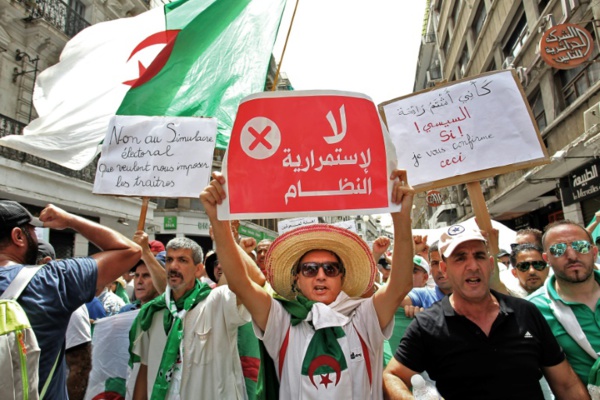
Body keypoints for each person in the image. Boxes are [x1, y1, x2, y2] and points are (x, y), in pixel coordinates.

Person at [201, 169, 414, 399]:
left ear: (341, 277)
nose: (320, 276)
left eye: (330, 269)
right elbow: (240, 284)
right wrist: (219, 222)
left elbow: (400, 284)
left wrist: (402, 218)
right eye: (310, 269)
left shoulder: (365, 317)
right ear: (297, 278)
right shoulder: (282, 321)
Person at [383, 223, 589, 400]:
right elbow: (392, 376)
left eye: (479, 256)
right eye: (460, 258)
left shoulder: (526, 312)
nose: (472, 266)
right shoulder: (427, 325)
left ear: (490, 264)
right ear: (444, 269)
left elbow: (566, 385)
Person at [0, 200, 141, 398]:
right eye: (32, 231)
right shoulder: (51, 280)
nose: (36, 237)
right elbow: (129, 251)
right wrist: (70, 220)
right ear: (18, 236)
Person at [129, 236, 264, 399]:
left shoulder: (215, 303)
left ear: (198, 269)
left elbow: (255, 282)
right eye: (170, 260)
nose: (173, 266)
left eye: (182, 260)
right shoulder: (153, 313)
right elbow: (145, 370)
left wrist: (236, 247)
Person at [528, 220, 600, 387]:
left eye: (581, 246)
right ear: (546, 258)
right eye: (558, 250)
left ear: (594, 252)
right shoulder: (534, 309)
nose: (572, 256)